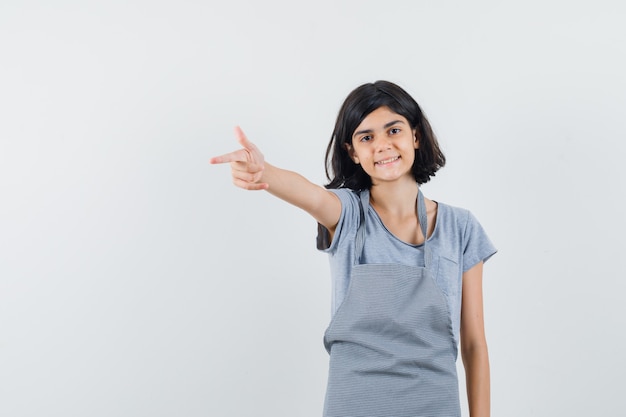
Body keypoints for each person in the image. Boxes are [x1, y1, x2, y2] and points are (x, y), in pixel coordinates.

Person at [210, 80, 497, 417]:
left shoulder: (460, 228)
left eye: (394, 130)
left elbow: (474, 344)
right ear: (352, 152)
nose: (383, 146)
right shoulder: (347, 214)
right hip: (353, 405)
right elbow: (310, 194)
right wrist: (265, 172)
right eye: (366, 137)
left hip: (435, 405)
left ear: (415, 136)